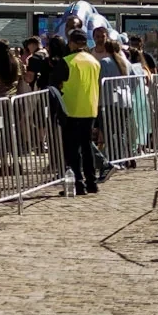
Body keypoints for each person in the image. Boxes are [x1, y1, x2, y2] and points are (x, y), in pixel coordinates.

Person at [58, 28, 103, 196]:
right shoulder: (94, 61)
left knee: (72, 150)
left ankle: (78, 183)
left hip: (71, 108)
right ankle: (92, 182)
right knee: (87, 147)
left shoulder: (68, 61)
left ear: (71, 43)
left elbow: (56, 83)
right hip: (90, 108)